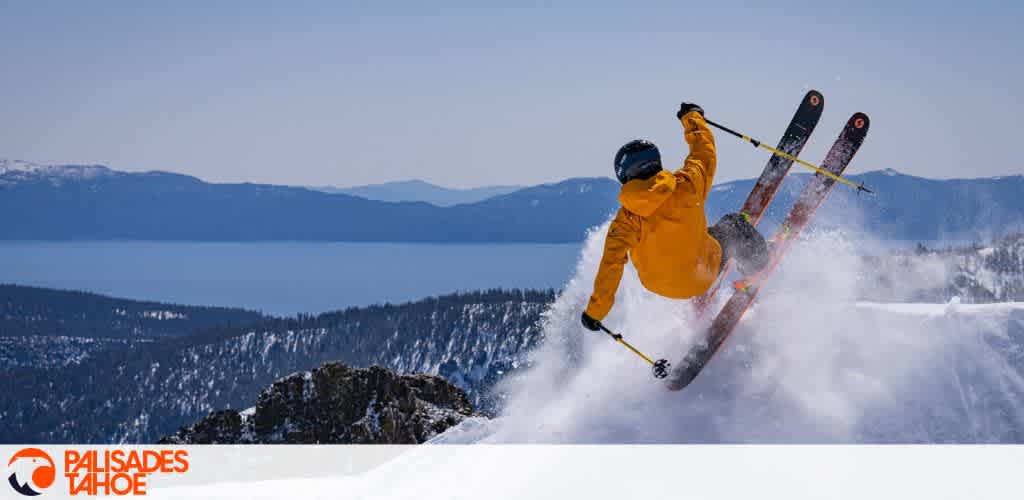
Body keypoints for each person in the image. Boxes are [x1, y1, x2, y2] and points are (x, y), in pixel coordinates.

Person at [580, 102, 769, 331]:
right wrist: (692, 119)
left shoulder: (625, 220)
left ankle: (695, 291)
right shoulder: (687, 184)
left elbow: (610, 266)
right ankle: (757, 266)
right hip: (701, 274)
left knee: (700, 236)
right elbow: (704, 154)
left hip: (659, 286)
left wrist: (595, 312)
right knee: (733, 223)